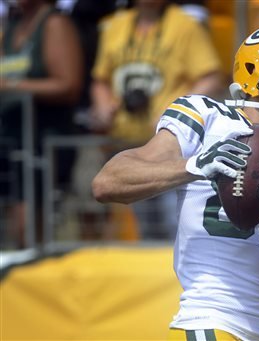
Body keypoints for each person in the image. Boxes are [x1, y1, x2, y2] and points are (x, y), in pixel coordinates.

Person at [92, 22, 259, 340]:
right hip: (209, 319)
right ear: (258, 69)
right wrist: (195, 165)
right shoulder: (205, 116)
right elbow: (107, 183)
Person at [87, 0, 225, 240]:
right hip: (126, 144)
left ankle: (174, 276)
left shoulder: (185, 25)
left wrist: (175, 112)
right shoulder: (115, 25)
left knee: (175, 224)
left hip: (172, 146)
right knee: (147, 230)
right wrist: (102, 104)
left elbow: (212, 77)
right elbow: (100, 80)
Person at [0, 0, 84, 248]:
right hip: (13, 138)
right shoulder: (13, 25)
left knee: (32, 229)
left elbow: (68, 84)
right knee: (16, 229)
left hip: (44, 143)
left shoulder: (55, 23)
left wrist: (10, 87)